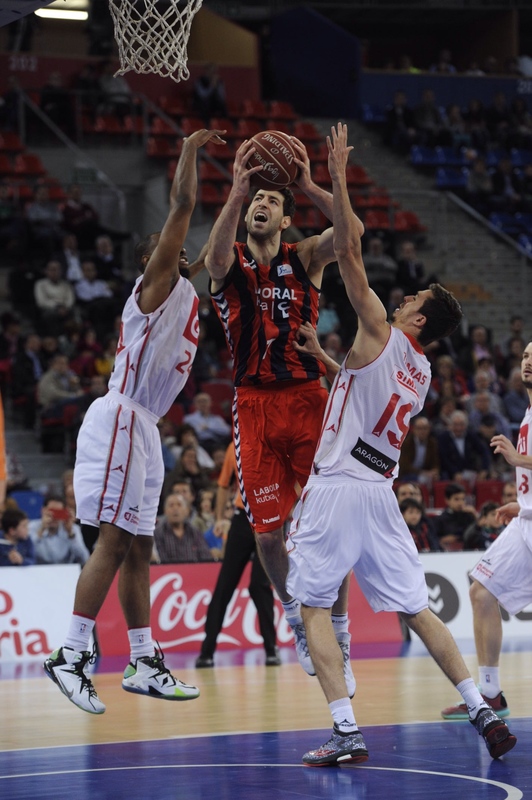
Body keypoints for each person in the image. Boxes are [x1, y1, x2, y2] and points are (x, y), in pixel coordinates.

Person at [285, 123, 515, 765]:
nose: (403, 296)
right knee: (417, 610)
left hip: (336, 490)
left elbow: (350, 248)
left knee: (311, 607)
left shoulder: (380, 328)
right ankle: (478, 707)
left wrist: (328, 178)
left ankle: (345, 728)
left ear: (414, 317)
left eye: (411, 297)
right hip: (381, 495)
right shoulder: (419, 373)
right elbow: (364, 394)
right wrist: (325, 359)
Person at [42, 127, 225, 715]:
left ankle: (143, 660)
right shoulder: (152, 289)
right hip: (121, 416)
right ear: (152, 263)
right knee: (116, 541)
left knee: (141, 548)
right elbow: (183, 205)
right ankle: (69, 654)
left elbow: (207, 256)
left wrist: (242, 192)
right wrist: (191, 151)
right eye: (164, 252)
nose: (173, 256)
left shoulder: (182, 291)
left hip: (145, 427)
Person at [204, 129, 357, 683]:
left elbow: (352, 232)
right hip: (254, 407)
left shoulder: (305, 256)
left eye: (272, 201)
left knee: (331, 527)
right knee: (267, 534)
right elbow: (215, 262)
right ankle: (294, 612)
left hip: (308, 399)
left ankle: (338, 628)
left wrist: (315, 183)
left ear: (286, 218)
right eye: (258, 202)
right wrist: (237, 194)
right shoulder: (231, 257)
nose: (263, 205)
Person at [441, 340, 532, 722]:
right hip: (527, 521)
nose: (528, 362)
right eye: (525, 355)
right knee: (481, 592)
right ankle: (490, 694)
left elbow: (524, 460)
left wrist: (518, 458)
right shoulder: (528, 410)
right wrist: (523, 503)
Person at [196, 442, 279, 668]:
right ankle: (207, 652)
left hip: (268, 519)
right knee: (225, 585)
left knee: (259, 585)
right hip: (242, 518)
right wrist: (219, 519)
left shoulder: (276, 441)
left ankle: (272, 649)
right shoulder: (236, 446)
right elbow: (223, 485)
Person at [153, 492, 214, 564]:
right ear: (165, 511)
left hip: (194, 573)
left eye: (179, 505)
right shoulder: (158, 533)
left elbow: (206, 558)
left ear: (186, 511)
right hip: (169, 573)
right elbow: (161, 562)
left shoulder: (195, 532)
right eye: (171, 505)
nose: (175, 509)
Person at [29, 494, 89, 565]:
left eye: (58, 513)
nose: (54, 517)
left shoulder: (73, 529)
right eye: (51, 512)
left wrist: (70, 534)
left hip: (65, 572)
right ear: (43, 510)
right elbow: (27, 554)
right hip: (38, 571)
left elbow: (85, 559)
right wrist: (41, 530)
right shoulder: (31, 527)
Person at [433, 482, 478, 551]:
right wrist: (442, 540)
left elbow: (477, 535)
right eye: (456, 499)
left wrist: (475, 515)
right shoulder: (440, 520)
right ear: (447, 500)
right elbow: (435, 540)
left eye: (463, 499)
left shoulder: (469, 516)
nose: (460, 503)